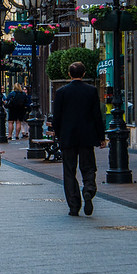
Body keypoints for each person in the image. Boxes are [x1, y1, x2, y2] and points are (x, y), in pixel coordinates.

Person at [52, 62, 106, 217]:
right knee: (88, 167)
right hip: (87, 137)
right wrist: (101, 137)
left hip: (68, 137)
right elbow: (97, 115)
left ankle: (74, 206)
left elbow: (57, 117)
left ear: (69, 74)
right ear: (83, 74)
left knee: (69, 171)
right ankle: (88, 189)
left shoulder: (61, 92)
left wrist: (58, 133)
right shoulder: (91, 91)